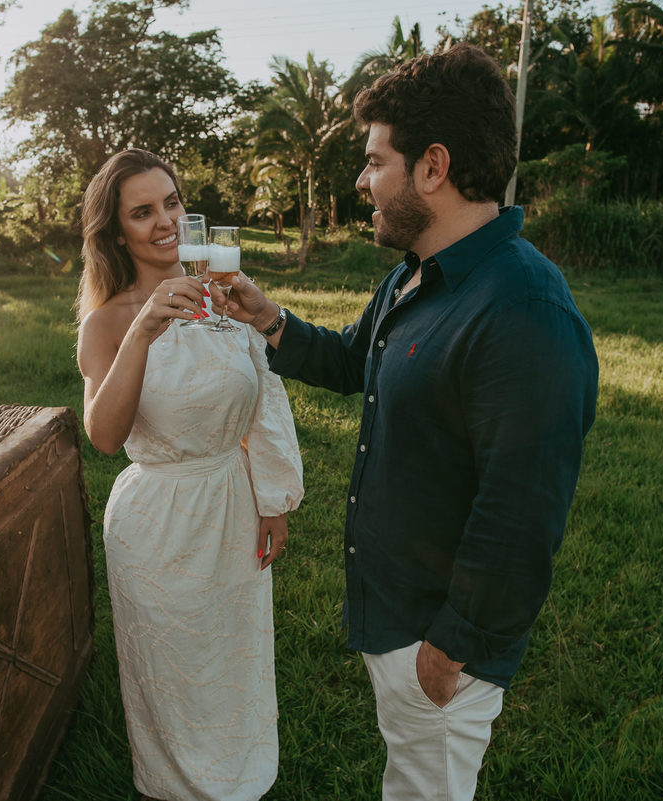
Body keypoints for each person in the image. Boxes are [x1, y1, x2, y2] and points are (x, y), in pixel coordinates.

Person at [224, 45, 599, 801]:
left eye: (374, 161)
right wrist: (269, 318)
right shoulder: (415, 272)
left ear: (432, 166)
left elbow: (521, 509)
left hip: (440, 641)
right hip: (396, 614)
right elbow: (357, 360)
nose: (363, 181)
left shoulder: (525, 310)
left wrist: (454, 643)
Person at [75, 148, 304, 801]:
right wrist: (145, 330)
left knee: (232, 663)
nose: (164, 221)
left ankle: (238, 781)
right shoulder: (109, 321)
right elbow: (104, 435)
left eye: (172, 202)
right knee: (171, 675)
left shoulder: (224, 295)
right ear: (118, 231)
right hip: (157, 523)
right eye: (142, 212)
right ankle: (171, 787)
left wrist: (274, 499)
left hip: (231, 503)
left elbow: (266, 399)